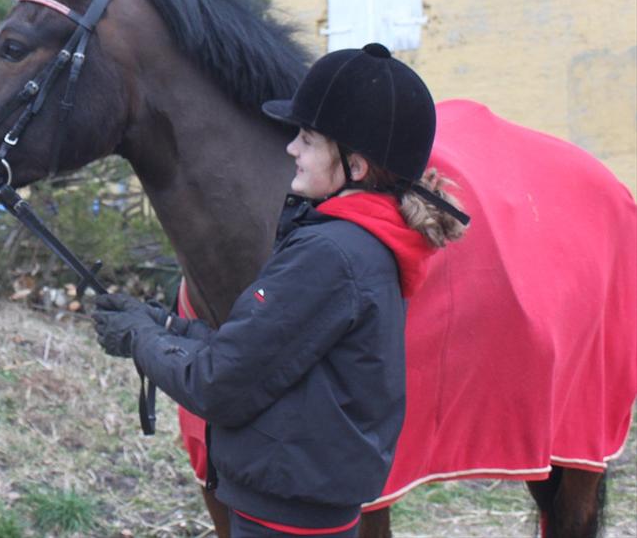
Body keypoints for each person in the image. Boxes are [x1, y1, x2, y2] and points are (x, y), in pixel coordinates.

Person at [92, 43, 469, 538]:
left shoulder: (332, 255)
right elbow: (267, 358)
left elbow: (218, 384)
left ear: (354, 166)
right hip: (300, 505)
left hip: (283, 519)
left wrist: (139, 341)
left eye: (308, 139)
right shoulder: (359, 245)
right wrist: (164, 324)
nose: (291, 148)